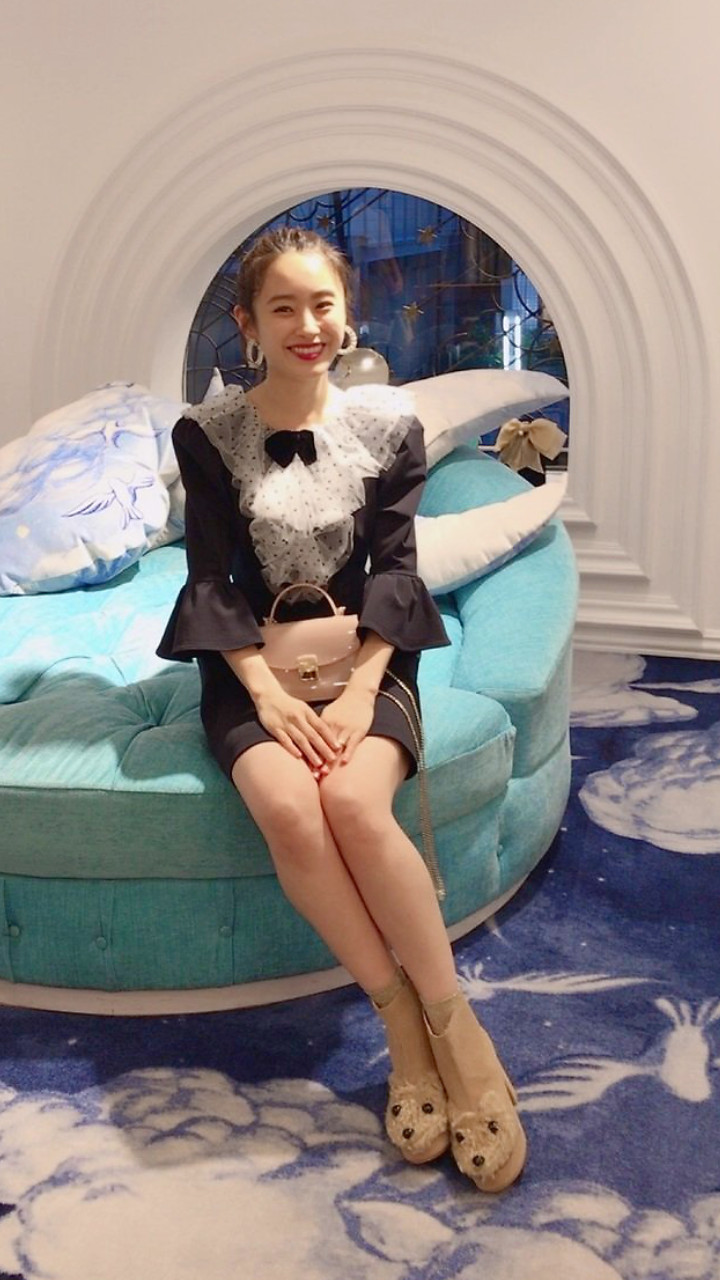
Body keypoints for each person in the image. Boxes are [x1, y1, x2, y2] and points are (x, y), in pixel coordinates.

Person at [157, 227, 526, 1191]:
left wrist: (364, 689)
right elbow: (209, 580)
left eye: (322, 303)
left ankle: (457, 1027)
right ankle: (400, 1023)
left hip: (369, 655)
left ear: (347, 313)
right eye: (282, 306)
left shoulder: (389, 425)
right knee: (290, 807)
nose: (307, 324)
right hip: (251, 666)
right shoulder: (207, 434)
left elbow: (397, 572)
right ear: (248, 325)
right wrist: (266, 695)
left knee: (356, 802)